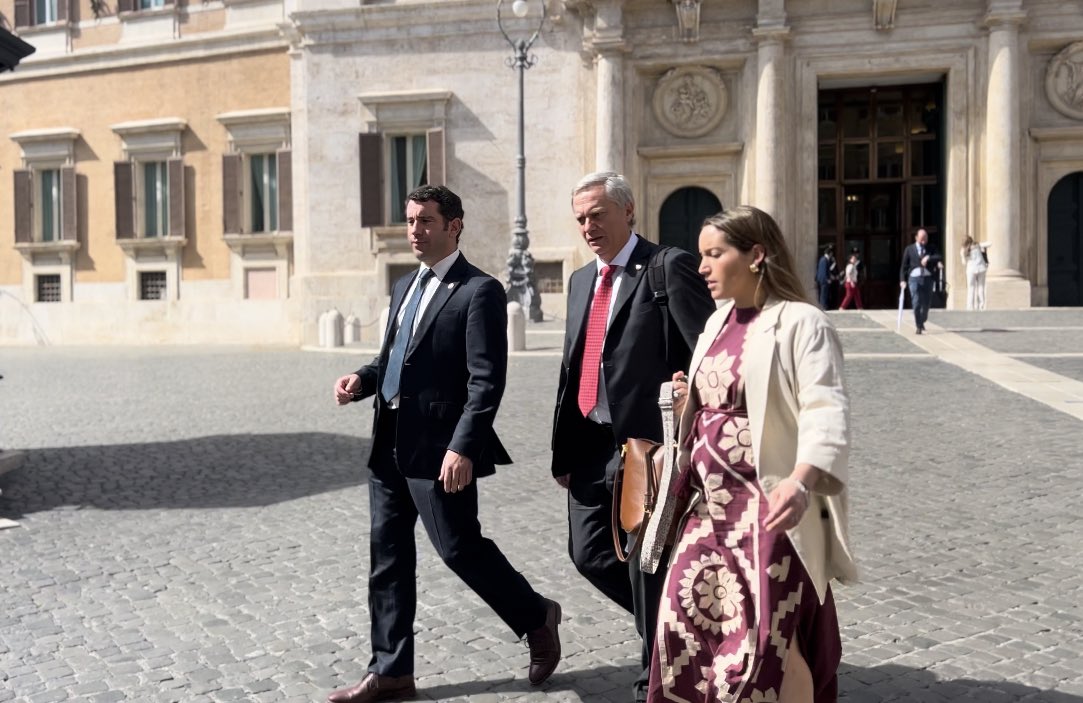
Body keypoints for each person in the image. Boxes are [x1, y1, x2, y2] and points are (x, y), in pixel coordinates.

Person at [330, 185, 561, 703]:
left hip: (439, 450)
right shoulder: (403, 286)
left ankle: (536, 615)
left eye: (426, 221)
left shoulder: (479, 291)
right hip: (387, 442)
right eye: (411, 220)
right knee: (386, 557)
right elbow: (392, 358)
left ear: (454, 225)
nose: (415, 230)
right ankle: (391, 671)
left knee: (459, 549)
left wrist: (463, 447)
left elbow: (486, 381)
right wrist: (361, 380)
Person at [648, 206, 858, 703]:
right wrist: (686, 403)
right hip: (707, 509)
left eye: (715, 254)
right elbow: (712, 400)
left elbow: (826, 407)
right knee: (681, 619)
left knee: (769, 639)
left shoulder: (802, 323)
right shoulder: (717, 320)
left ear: (757, 255)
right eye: (701, 255)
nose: (702, 268)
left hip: (768, 509)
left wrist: (801, 481)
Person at [551, 171, 715, 702]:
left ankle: (655, 679)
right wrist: (563, 450)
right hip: (591, 443)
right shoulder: (580, 281)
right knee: (589, 553)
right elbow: (573, 367)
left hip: (647, 449)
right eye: (580, 218)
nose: (588, 226)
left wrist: (690, 394)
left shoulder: (667, 268)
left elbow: (707, 353)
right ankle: (675, 626)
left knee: (646, 566)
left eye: (597, 214)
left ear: (629, 212)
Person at [899, 228, 941, 334]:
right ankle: (918, 325)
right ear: (916, 237)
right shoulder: (909, 249)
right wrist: (902, 280)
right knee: (916, 301)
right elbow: (904, 266)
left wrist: (928, 258)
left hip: (927, 278)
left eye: (925, 238)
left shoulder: (931, 248)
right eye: (922, 238)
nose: (924, 241)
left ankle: (922, 319)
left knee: (926, 304)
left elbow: (939, 256)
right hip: (914, 279)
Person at [960, 235, 989, 311]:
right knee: (981, 287)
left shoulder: (963, 250)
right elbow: (990, 243)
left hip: (971, 270)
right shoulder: (977, 246)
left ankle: (970, 307)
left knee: (971, 288)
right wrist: (979, 245)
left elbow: (963, 263)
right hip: (981, 268)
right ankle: (981, 306)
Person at [815, 245, 837, 310]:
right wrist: (827, 279)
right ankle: (823, 307)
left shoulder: (822, 259)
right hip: (824, 280)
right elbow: (823, 270)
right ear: (830, 253)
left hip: (820, 279)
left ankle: (822, 306)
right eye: (831, 253)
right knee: (823, 294)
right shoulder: (825, 260)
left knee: (822, 294)